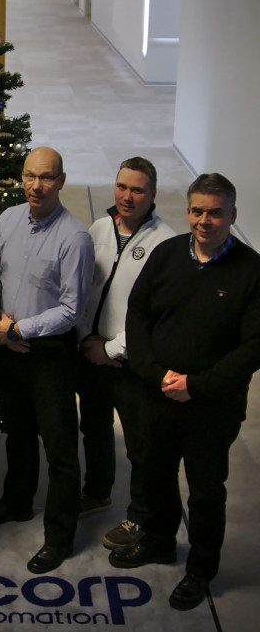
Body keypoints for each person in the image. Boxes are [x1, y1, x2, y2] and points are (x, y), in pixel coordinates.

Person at [109, 173, 260, 612]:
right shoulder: (167, 254)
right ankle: (159, 543)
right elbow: (138, 315)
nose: (204, 221)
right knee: (155, 474)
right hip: (157, 394)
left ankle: (200, 569)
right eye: (197, 211)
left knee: (205, 490)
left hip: (212, 407)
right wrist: (156, 375)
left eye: (215, 213)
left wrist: (196, 385)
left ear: (232, 215)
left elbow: (253, 347)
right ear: (188, 210)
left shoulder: (251, 271)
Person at [0, 146, 95, 574]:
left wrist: (18, 330)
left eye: (46, 178)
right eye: (30, 176)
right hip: (8, 345)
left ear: (61, 181)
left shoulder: (75, 238)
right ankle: (17, 502)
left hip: (49, 355)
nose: (36, 186)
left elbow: (71, 310)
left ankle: (59, 537)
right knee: (18, 433)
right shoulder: (8, 220)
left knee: (60, 449)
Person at [76, 157, 174, 549]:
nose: (127, 196)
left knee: (140, 445)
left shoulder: (164, 243)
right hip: (91, 355)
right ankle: (97, 492)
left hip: (131, 364)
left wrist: (112, 349)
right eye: (122, 187)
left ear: (152, 194)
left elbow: (158, 316)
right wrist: (87, 339)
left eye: (137, 189)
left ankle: (141, 516)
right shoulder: (99, 228)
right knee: (94, 428)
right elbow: (83, 289)